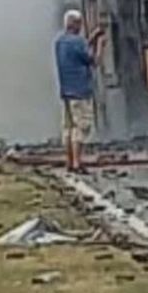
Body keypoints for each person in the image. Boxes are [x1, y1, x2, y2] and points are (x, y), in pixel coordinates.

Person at [55, 10, 104, 173]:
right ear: (75, 24)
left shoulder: (60, 42)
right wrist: (100, 46)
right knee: (81, 126)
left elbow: (79, 52)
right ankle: (77, 163)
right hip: (80, 91)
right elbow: (94, 61)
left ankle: (69, 162)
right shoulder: (78, 42)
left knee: (68, 128)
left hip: (66, 91)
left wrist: (92, 37)